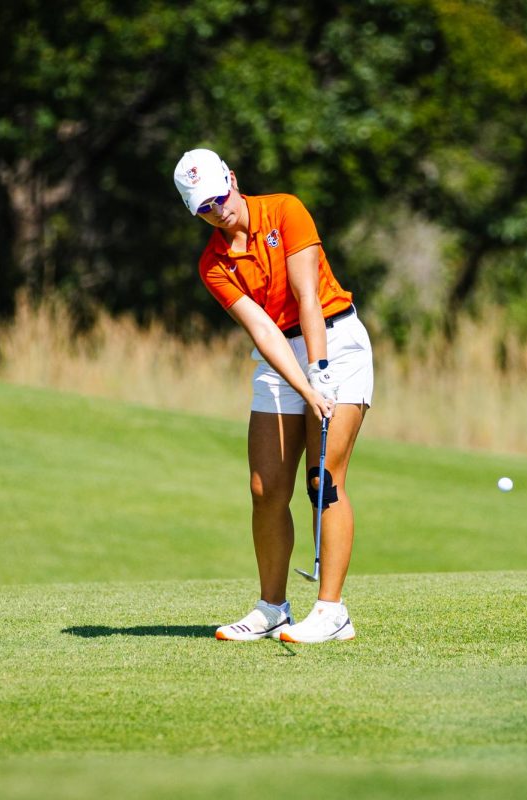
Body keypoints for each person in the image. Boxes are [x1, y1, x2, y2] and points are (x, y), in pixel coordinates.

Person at [172, 148, 374, 644]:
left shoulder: (284, 210)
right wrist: (303, 383)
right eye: (204, 208)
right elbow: (263, 330)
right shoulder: (213, 264)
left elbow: (307, 294)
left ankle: (332, 612)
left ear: (233, 180)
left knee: (322, 479)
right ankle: (273, 609)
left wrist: (321, 370)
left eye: (220, 197)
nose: (217, 211)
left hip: (336, 341)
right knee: (265, 488)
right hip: (280, 355)